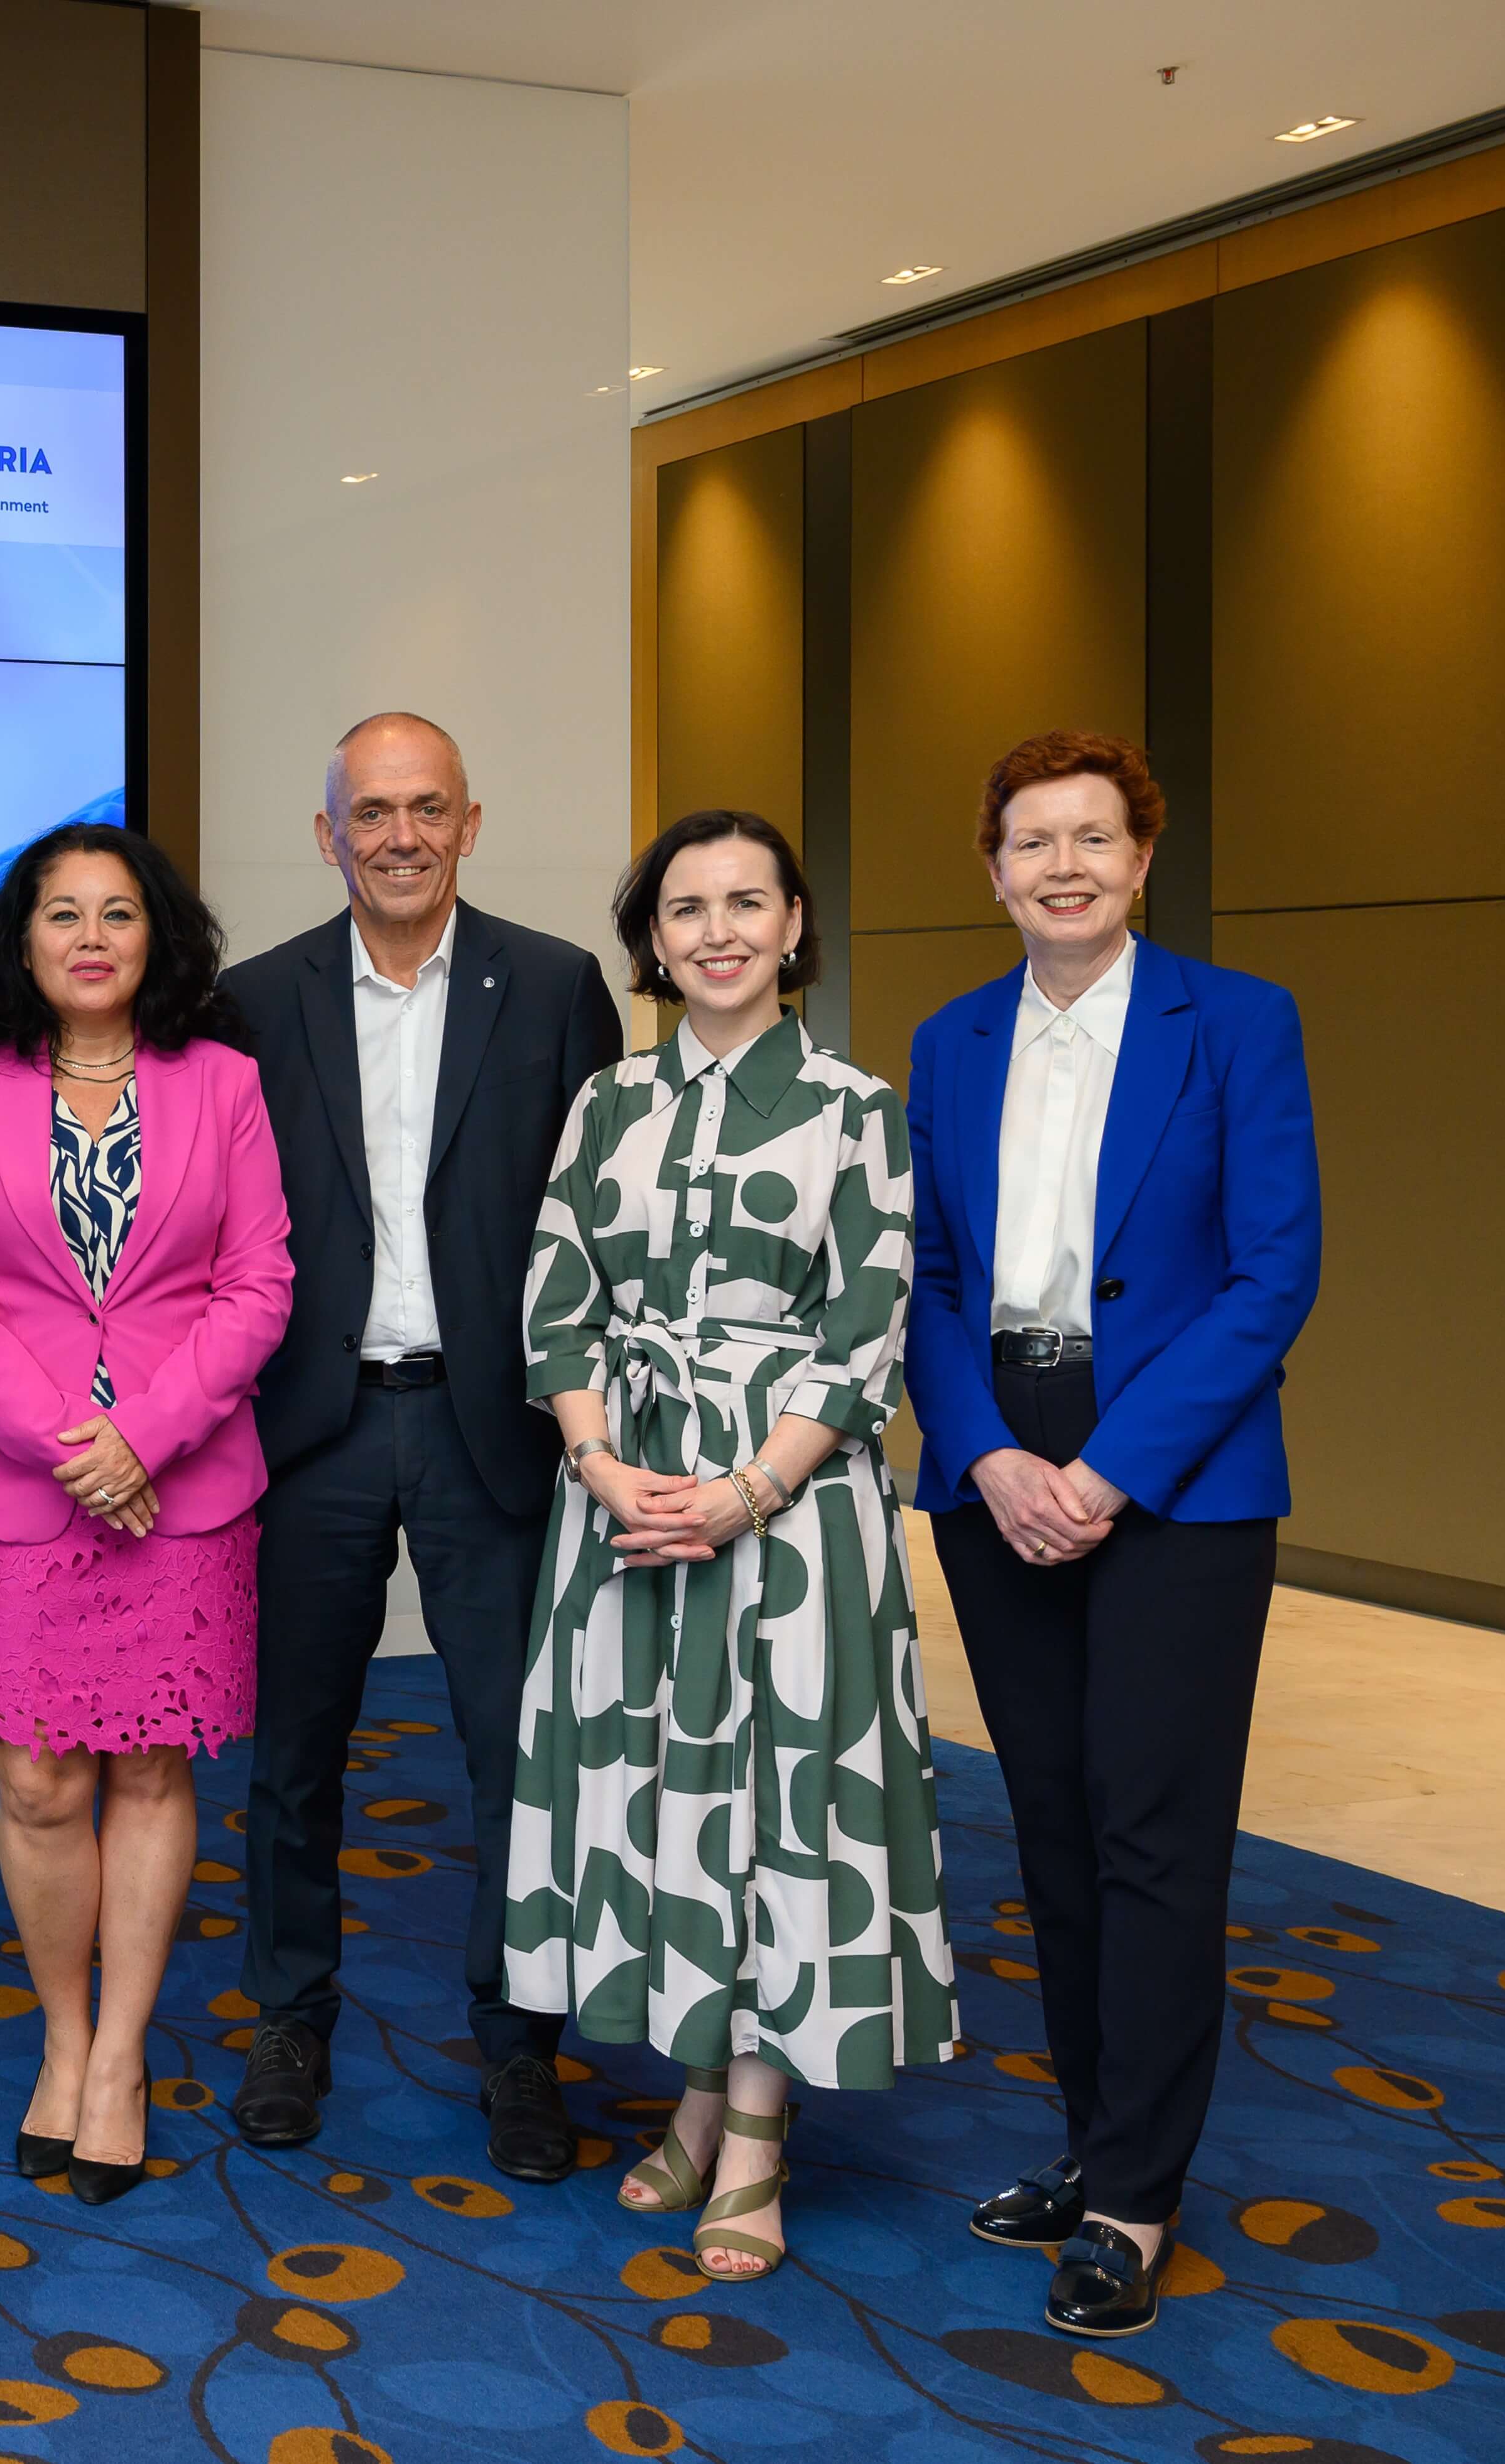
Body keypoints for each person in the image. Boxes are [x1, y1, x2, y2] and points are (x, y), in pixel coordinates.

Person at [504, 808, 956, 2286]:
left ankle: (754, 2131)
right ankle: (697, 2081)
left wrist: (742, 1495)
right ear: (648, 940)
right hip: (624, 1502)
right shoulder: (605, 1104)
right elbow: (554, 1299)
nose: (714, 931)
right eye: (683, 908)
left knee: (774, 1810)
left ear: (793, 923)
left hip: (790, 1519)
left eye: (744, 903)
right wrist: (598, 1463)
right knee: (663, 1802)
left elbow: (863, 1331)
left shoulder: (856, 1106)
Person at [906, 732, 1320, 2340]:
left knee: (1155, 1832)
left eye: (1092, 837)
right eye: (1029, 841)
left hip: (1180, 1469)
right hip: (996, 1458)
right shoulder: (943, 1045)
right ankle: (1089, 2146)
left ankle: (1138, 2198)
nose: (1061, 864)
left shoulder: (1237, 1023)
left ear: (1142, 859)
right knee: (1054, 1826)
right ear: (991, 870)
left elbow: (1269, 1274)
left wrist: (1113, 1471)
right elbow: (926, 1281)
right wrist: (990, 1453)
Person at [220, 712, 625, 2178]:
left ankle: (520, 2047)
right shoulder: (248, 1002)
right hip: (309, 1430)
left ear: (469, 822)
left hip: (490, 1427)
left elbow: (596, 1226)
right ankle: (288, 2017)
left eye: (426, 809)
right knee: (293, 1753)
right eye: (369, 813)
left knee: (516, 1753)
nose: (398, 836)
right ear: (326, 836)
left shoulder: (557, 989)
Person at [0, 820, 293, 2204]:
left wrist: (147, 1437)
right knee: (38, 1778)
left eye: (115, 914)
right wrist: (70, 1445)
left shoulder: (224, 1084)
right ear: (22, 939)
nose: (87, 937)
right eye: (60, 913)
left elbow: (257, 1287)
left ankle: (117, 2057)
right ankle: (57, 2042)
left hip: (183, 1489)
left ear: (154, 938)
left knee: (149, 1771)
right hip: (21, 1488)